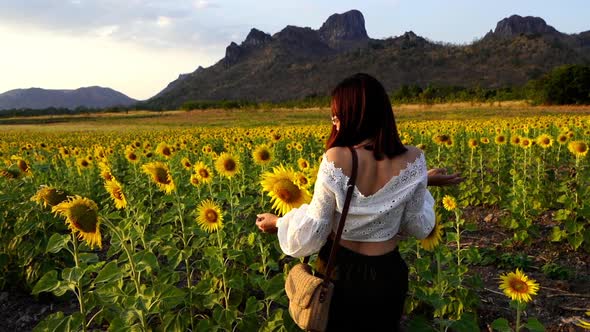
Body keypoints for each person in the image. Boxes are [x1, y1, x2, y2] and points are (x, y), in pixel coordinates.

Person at [255, 73, 463, 331]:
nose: (335, 122)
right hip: (387, 274)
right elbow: (417, 226)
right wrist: (421, 182)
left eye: (336, 115)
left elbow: (316, 228)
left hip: (339, 271)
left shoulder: (337, 158)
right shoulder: (414, 160)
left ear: (353, 114)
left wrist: (279, 222)